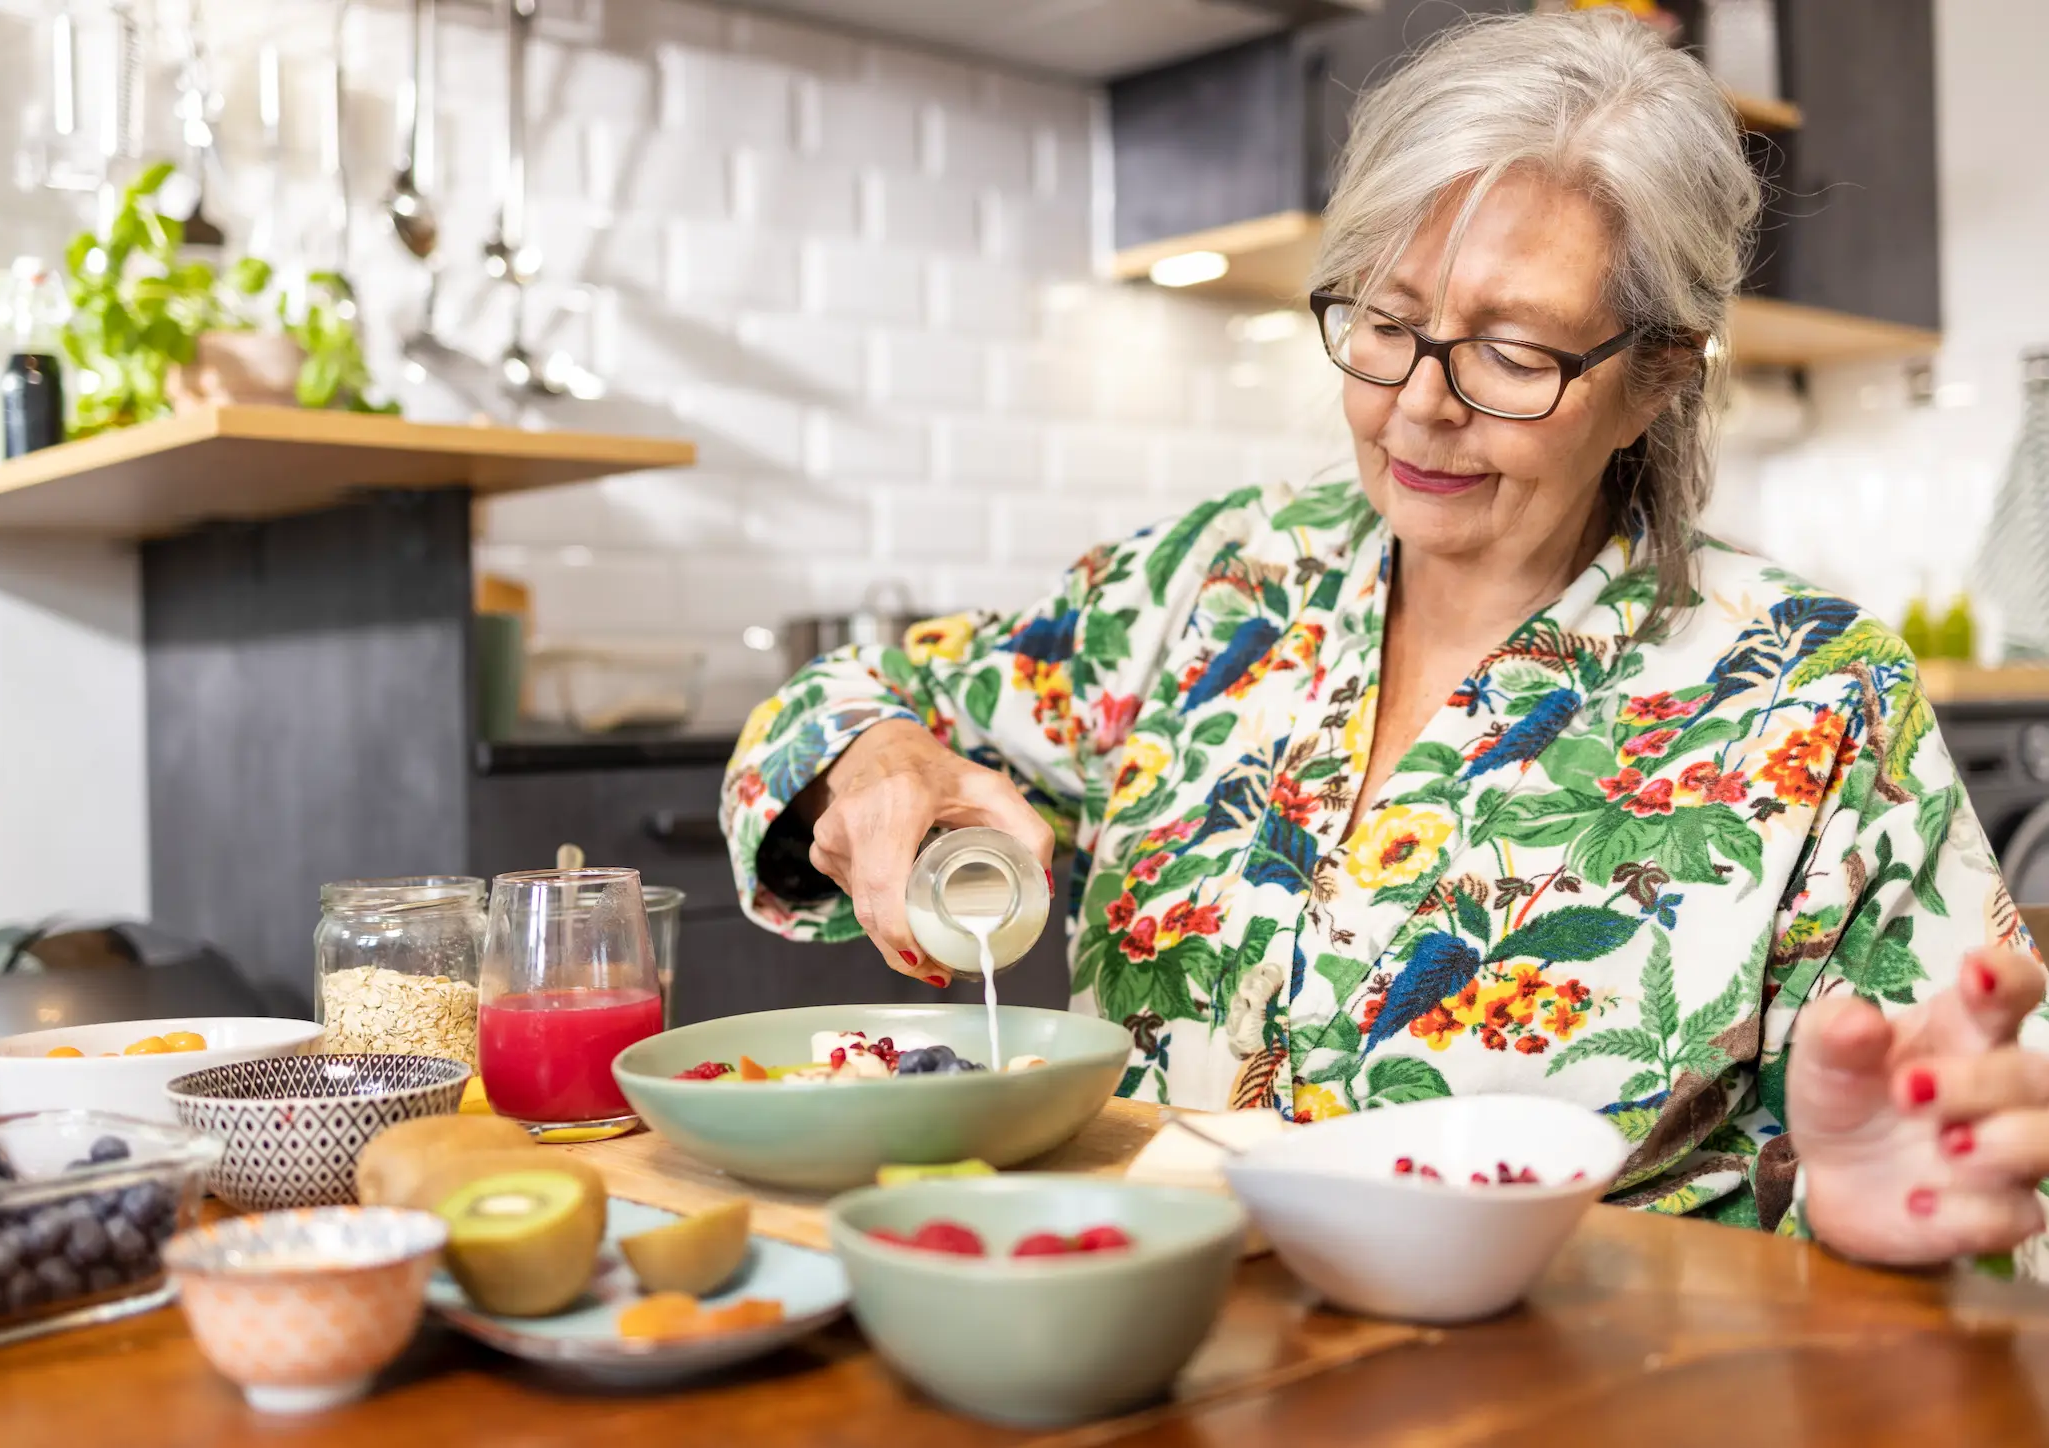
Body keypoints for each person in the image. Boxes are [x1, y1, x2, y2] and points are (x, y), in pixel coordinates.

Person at [719, 11, 2049, 1267]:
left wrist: (1887, 1232)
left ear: (1654, 378)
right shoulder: (1213, 583)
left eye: (1513, 354)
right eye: (1386, 322)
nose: (1418, 408)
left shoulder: (1811, 699)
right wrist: (878, 758)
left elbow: (1984, 1160)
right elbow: (850, 696)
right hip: (1133, 1349)